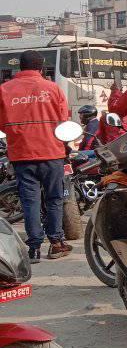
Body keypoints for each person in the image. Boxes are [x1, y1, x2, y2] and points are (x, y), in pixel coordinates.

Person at [0, 51, 72, 262]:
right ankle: (56, 243)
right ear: (41, 68)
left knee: (29, 201)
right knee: (54, 199)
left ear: (19, 67)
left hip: (21, 154)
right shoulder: (53, 89)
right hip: (52, 153)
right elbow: (63, 122)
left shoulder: (4, 90)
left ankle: (34, 249)